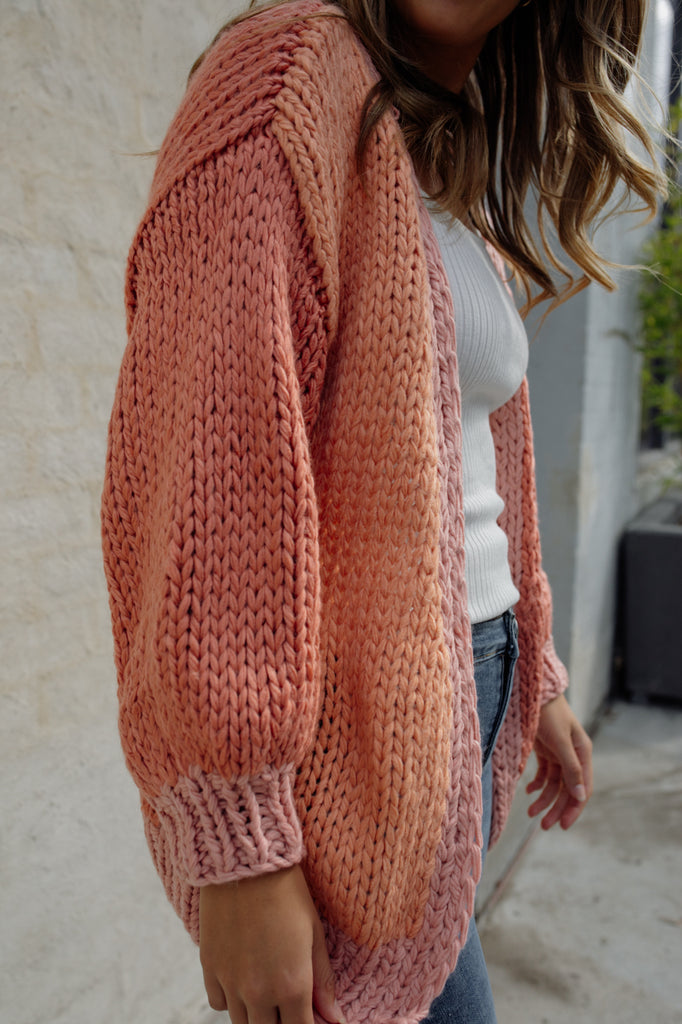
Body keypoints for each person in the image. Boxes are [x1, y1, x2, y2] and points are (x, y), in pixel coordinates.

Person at [100, 1, 664, 1021]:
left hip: (460, 697)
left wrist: (533, 673)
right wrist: (239, 842)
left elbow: (464, 453)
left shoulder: (425, 140)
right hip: (353, 743)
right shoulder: (288, 77)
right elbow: (205, 474)